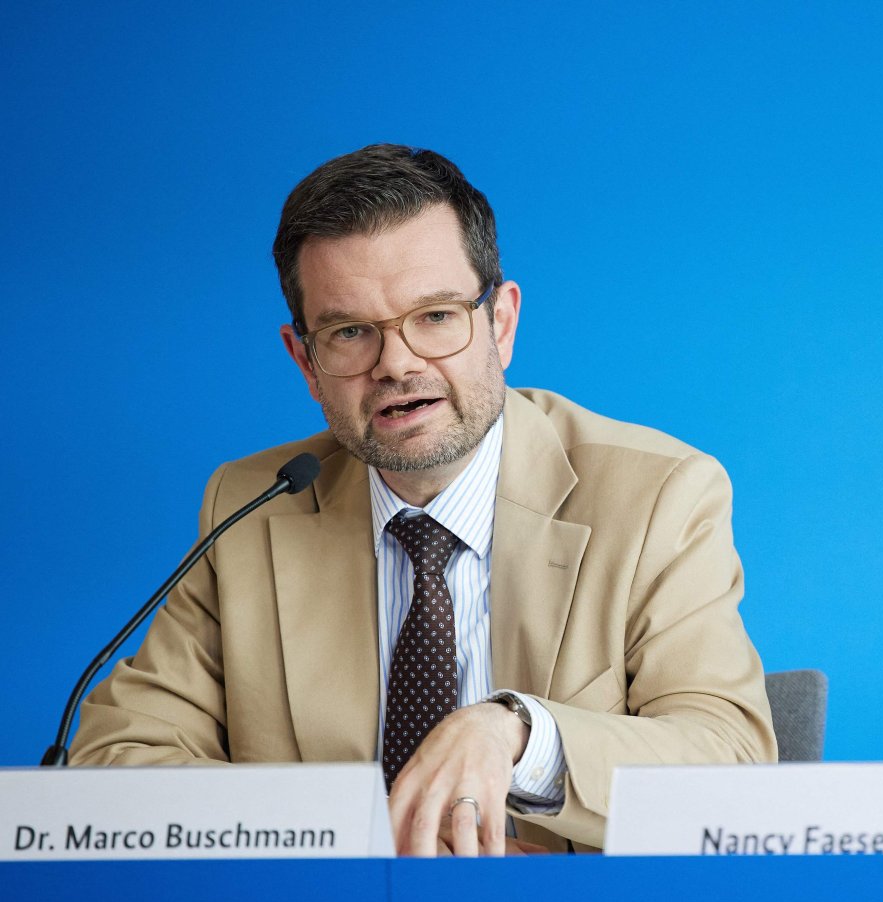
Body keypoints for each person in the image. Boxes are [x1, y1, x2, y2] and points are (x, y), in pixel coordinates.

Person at [71, 144, 777, 854]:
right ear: (304, 360)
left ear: (500, 322)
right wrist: (323, 839)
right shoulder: (254, 505)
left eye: (436, 316)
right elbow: (117, 758)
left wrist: (519, 736)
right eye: (350, 333)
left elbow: (731, 758)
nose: (398, 364)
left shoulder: (657, 495)